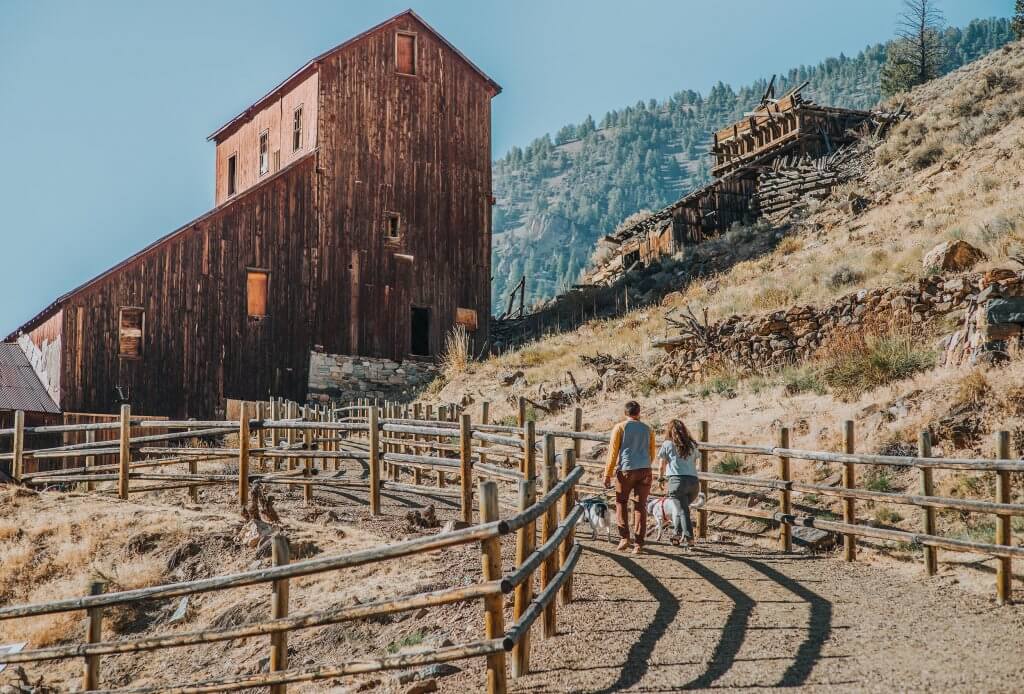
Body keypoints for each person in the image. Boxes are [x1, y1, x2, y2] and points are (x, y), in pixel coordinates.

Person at [603, 400, 656, 554]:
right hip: (645, 469)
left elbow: (613, 453)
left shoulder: (620, 427)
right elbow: (652, 452)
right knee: (641, 506)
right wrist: (645, 465)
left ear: (625, 413)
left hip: (626, 470)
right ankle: (639, 543)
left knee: (621, 502)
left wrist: (607, 474)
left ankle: (624, 537)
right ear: (639, 413)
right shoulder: (648, 429)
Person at [656, 419, 700, 546]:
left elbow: (661, 466)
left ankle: (689, 538)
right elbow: (695, 462)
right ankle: (676, 535)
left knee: (682, 511)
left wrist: (660, 479)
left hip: (677, 482)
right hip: (693, 483)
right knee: (681, 509)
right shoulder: (692, 445)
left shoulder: (667, 444)